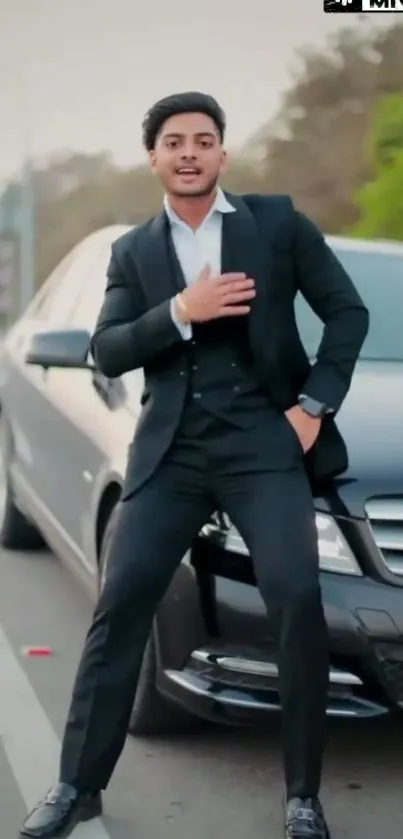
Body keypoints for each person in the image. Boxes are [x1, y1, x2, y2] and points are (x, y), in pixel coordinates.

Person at [20, 91, 369, 839]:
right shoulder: (134, 251)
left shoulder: (275, 223)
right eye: (173, 141)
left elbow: (348, 312)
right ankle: (77, 787)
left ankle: (302, 797)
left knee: (295, 599)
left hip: (263, 449)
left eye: (202, 140)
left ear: (222, 153)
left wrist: (312, 406)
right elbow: (107, 349)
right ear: (153, 157)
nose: (188, 151)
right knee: (119, 609)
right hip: (171, 453)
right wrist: (183, 309)